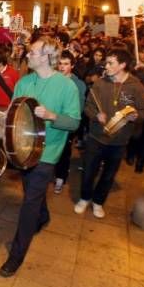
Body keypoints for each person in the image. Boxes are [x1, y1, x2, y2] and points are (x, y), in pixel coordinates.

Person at [0, 37, 81, 278]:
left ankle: (16, 255)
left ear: (46, 57)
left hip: (48, 153)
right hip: (24, 150)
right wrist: (2, 124)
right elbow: (14, 115)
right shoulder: (24, 82)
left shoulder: (67, 87)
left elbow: (74, 122)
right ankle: (43, 216)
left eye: (33, 52)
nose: (28, 55)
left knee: (29, 203)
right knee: (31, 192)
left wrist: (52, 115)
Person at [75, 48, 144, 219]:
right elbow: (88, 107)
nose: (105, 66)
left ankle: (98, 202)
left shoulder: (135, 86)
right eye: (106, 62)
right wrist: (96, 115)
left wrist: (136, 115)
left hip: (119, 140)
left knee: (108, 174)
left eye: (110, 63)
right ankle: (84, 198)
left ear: (122, 65)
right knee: (88, 171)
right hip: (96, 137)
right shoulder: (100, 84)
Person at [53, 51, 86, 193]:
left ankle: (60, 178)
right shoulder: (52, 80)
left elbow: (79, 109)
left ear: (72, 65)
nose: (62, 67)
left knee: (64, 152)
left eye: (66, 64)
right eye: (60, 63)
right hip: (51, 121)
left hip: (66, 124)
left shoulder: (78, 84)